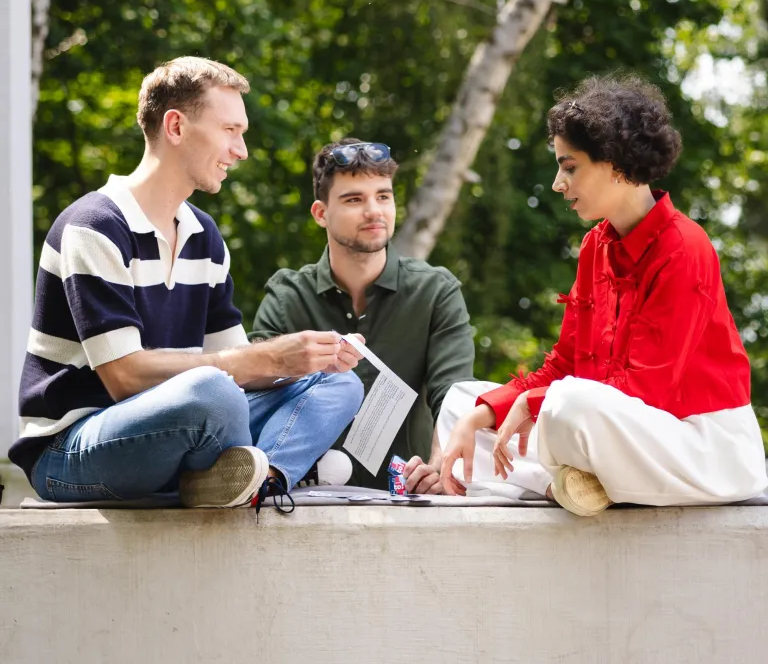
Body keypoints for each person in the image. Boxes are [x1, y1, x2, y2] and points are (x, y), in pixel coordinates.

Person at [10, 57, 364, 509]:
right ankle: (257, 468)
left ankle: (260, 479)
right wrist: (264, 357)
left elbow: (241, 371)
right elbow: (125, 377)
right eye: (230, 130)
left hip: (176, 424)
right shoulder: (94, 225)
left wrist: (300, 359)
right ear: (175, 127)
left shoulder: (204, 237)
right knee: (212, 392)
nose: (242, 150)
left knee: (337, 385)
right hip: (72, 446)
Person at [439, 75, 767, 515]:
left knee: (566, 404)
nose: (558, 183)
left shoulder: (685, 248)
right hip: (620, 435)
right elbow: (566, 363)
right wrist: (485, 413)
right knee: (460, 401)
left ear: (614, 162)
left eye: (569, 166)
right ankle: (578, 484)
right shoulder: (596, 246)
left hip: (699, 446)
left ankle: (564, 483)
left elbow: (648, 391)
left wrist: (534, 402)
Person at [250, 138, 476, 493]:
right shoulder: (287, 295)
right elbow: (251, 393)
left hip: (404, 498)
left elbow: (454, 395)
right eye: (355, 199)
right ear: (321, 213)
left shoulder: (436, 291)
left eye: (383, 196)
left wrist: (439, 464)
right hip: (300, 498)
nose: (374, 211)